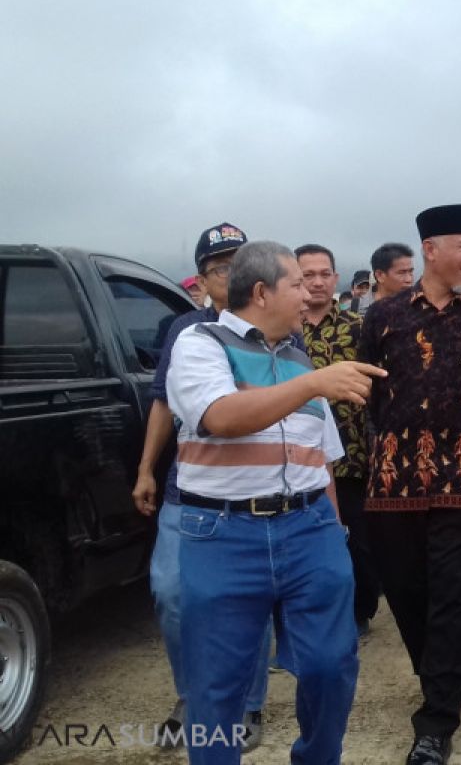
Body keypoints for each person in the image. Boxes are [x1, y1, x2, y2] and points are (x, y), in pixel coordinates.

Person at [167, 241, 385, 764]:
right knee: (218, 686)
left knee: (331, 666)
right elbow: (220, 415)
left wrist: (334, 528)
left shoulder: (296, 357)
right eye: (296, 284)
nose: (310, 292)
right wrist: (314, 382)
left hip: (309, 529)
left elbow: (322, 457)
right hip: (222, 535)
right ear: (261, 292)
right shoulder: (201, 342)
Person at [358, 203, 461, 765]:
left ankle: (436, 720)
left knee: (453, 598)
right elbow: (372, 393)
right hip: (393, 481)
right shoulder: (383, 318)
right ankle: (439, 677)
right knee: (405, 591)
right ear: (431, 250)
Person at [132, 223, 272, 752]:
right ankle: (193, 696)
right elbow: (164, 402)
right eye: (220, 268)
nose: (232, 276)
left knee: (248, 598)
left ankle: (248, 701)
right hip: (187, 490)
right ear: (205, 279)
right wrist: (146, 468)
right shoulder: (184, 329)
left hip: (255, 490)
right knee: (172, 593)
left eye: (242, 265)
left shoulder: (277, 328)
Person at [296, 243, 380, 637]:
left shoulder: (357, 327)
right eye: (307, 274)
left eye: (323, 274)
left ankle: (359, 611)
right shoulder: (281, 329)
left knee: (357, 540)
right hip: (295, 457)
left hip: (351, 453)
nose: (316, 282)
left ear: (335, 278)